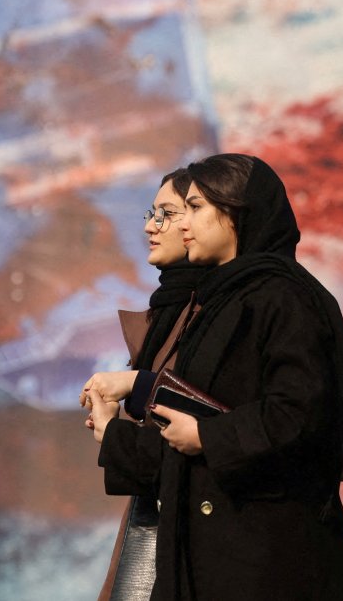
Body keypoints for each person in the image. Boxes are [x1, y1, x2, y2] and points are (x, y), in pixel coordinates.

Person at [87, 153, 343, 600]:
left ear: (235, 216)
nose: (179, 224)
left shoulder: (283, 296)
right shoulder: (223, 301)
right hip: (219, 546)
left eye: (194, 209)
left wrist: (208, 437)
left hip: (266, 557)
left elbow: (299, 413)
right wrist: (119, 426)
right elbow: (200, 412)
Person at [81, 168, 205, 601]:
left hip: (195, 542)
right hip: (154, 520)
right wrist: (111, 429)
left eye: (172, 213)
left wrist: (116, 431)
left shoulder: (211, 315)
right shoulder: (168, 313)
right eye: (155, 212)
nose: (150, 226)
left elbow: (203, 440)